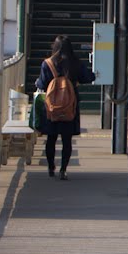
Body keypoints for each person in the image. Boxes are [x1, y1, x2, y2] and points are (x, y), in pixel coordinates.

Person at [35, 35, 96, 180]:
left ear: (54, 47)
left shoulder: (47, 64)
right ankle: (63, 169)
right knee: (66, 140)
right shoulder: (75, 63)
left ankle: (51, 167)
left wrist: (38, 82)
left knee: (51, 138)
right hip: (70, 105)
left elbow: (42, 84)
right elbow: (89, 77)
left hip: (52, 106)